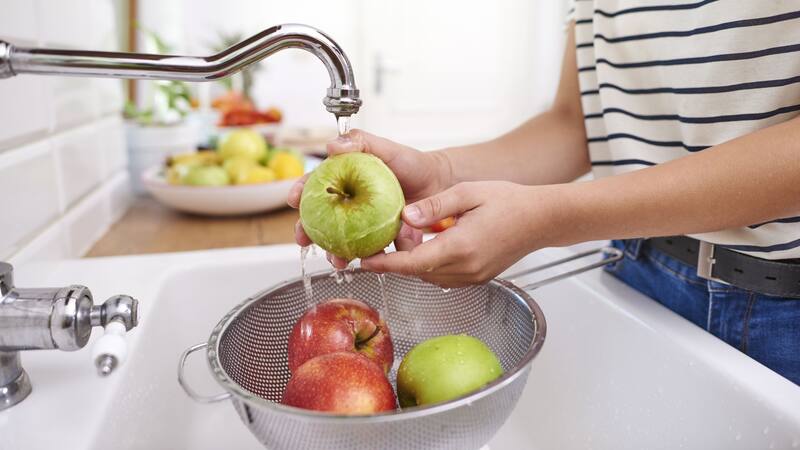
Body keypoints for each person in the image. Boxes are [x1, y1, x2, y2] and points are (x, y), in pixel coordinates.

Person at [288, 1, 800, 386]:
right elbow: (575, 124)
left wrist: (552, 219)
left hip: (777, 310)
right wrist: (440, 172)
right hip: (636, 268)